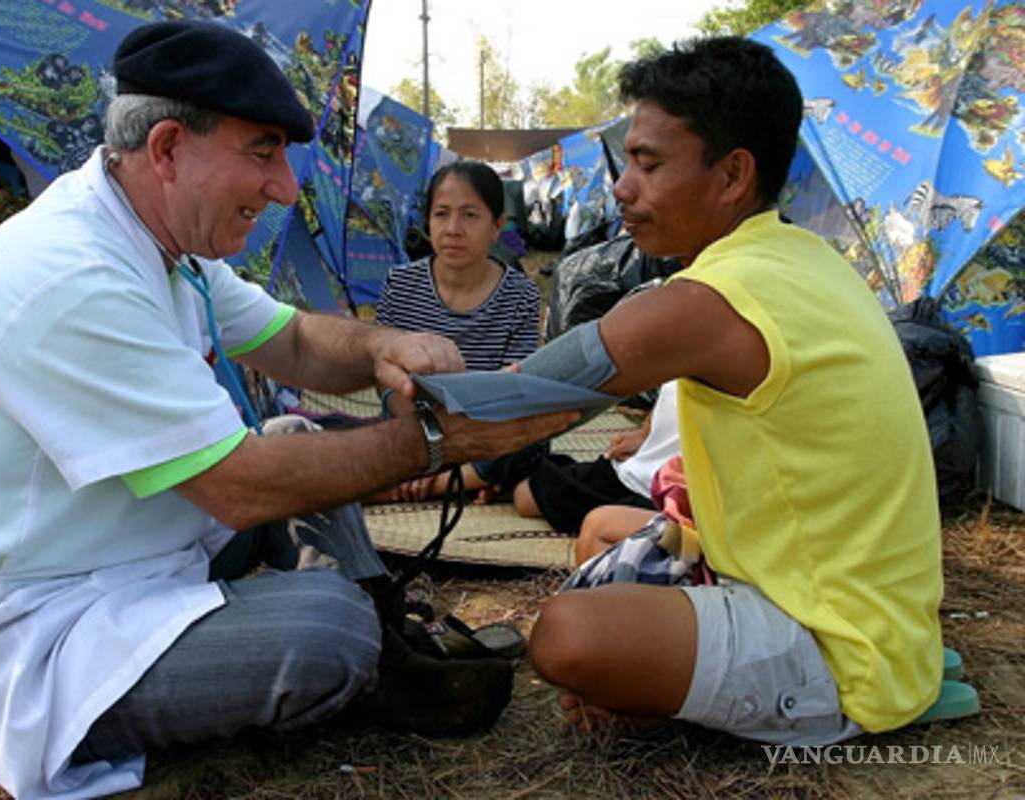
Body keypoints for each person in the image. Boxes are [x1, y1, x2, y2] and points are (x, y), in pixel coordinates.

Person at [0, 21, 574, 799]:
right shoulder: (72, 276)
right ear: (167, 148)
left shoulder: (154, 238)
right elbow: (240, 488)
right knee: (324, 628)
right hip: (44, 625)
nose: (285, 187)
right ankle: (363, 651)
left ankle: (386, 647)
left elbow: (292, 341)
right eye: (263, 153)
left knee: (295, 434)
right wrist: (439, 440)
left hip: (137, 557)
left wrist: (384, 344)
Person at [526, 37, 943, 747]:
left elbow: (515, 400)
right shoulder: (804, 257)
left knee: (567, 634)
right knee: (600, 528)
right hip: (851, 602)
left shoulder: (711, 298)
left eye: (648, 164)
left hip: (842, 651)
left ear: (732, 175)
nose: (623, 188)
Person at [373, 160, 544, 502]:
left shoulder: (521, 295)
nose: (453, 229)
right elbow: (385, 378)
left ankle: (436, 481)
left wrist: (460, 441)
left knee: (535, 435)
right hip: (411, 428)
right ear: (427, 221)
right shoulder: (401, 284)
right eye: (441, 214)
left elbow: (514, 389)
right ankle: (468, 481)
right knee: (337, 442)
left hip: (484, 432)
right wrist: (430, 437)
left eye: (470, 215)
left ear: (496, 226)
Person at [511, 380, 680, 533]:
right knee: (526, 496)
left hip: (675, 496)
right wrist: (644, 434)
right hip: (639, 470)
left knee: (600, 527)